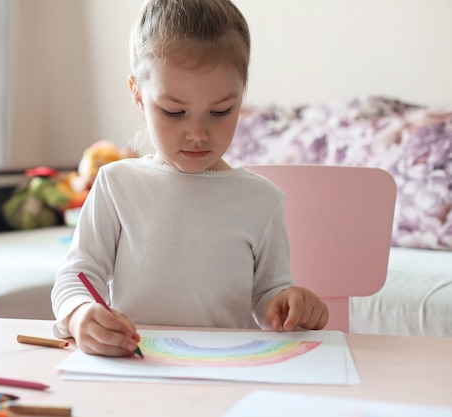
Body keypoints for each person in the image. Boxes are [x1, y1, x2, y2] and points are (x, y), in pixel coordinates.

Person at [51, 0, 328, 357]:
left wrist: (290, 302)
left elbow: (267, 297)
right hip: (138, 365)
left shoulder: (262, 200)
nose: (197, 133)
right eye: (174, 111)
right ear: (138, 94)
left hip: (226, 369)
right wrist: (79, 315)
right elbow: (76, 276)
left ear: (240, 97)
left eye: (220, 111)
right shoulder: (117, 185)